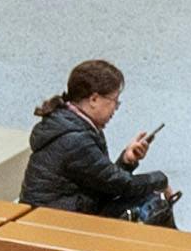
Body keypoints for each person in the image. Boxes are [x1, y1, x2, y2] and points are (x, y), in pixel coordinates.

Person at [24, 59, 180, 224]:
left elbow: (103, 182)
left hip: (57, 214)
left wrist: (126, 161)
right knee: (154, 204)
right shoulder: (75, 139)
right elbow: (119, 185)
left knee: (146, 200)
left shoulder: (72, 125)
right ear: (94, 99)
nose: (116, 108)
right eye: (114, 101)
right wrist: (161, 180)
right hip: (53, 222)